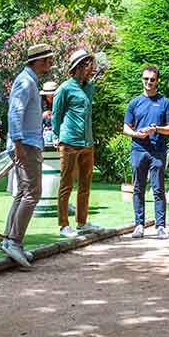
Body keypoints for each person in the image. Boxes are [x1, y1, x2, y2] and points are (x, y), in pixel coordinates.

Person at [0, 43, 54, 268]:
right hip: (27, 144)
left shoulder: (29, 80)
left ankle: (9, 240)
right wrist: (19, 143)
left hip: (28, 143)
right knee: (33, 192)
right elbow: (15, 111)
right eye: (48, 60)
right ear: (38, 61)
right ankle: (14, 241)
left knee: (23, 192)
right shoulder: (26, 81)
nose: (50, 64)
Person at [52, 49, 103, 237]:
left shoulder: (89, 88)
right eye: (88, 65)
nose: (92, 69)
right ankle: (64, 225)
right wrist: (57, 136)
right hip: (69, 142)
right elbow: (56, 115)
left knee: (85, 185)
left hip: (87, 142)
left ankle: (82, 223)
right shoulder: (65, 88)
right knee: (66, 184)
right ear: (78, 66)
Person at [125, 66, 169, 240]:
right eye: (146, 79)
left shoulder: (165, 102)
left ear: (157, 81)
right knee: (138, 188)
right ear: (142, 79)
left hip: (158, 151)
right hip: (138, 150)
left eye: (152, 79)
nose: (148, 82)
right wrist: (137, 134)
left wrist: (157, 129)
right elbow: (126, 127)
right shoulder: (134, 103)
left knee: (158, 189)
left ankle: (160, 226)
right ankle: (139, 225)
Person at [40, 81, 58, 145]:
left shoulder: (61, 102)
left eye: (52, 97)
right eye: (48, 97)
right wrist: (42, 116)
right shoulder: (41, 103)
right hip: (44, 133)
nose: (50, 99)